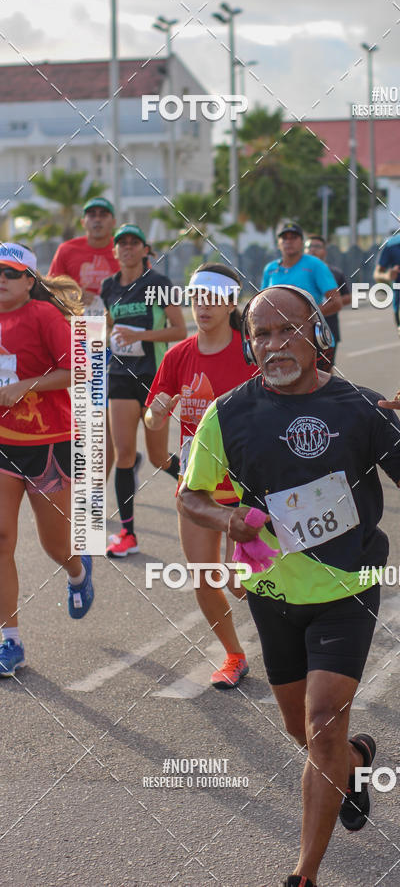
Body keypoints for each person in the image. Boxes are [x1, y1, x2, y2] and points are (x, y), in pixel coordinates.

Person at [177, 285, 400, 887]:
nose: (276, 345)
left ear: (317, 335)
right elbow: (190, 495)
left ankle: (304, 874)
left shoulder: (363, 409)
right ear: (250, 344)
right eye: (263, 335)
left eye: (289, 330)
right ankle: (354, 763)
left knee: (323, 717)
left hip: (347, 587)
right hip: (273, 593)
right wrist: (229, 520)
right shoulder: (228, 414)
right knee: (305, 732)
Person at [145, 263, 258, 689]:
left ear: (231, 303)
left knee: (241, 582)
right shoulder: (178, 356)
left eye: (213, 299)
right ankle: (234, 656)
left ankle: (289, 641)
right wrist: (157, 412)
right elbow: (154, 420)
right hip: (197, 484)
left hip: (247, 483)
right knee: (204, 576)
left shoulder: (250, 353)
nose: (203, 307)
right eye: (197, 298)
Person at [0, 243, 94, 676]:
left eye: (10, 272)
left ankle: (76, 571)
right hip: (3, 444)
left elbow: (79, 370)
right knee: (1, 540)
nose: (1, 278)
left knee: (55, 545)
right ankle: (11, 640)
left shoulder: (44, 317)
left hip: (49, 443)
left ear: (30, 281)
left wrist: (27, 385)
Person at [101, 224, 186, 556]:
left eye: (134, 243)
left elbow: (178, 330)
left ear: (145, 249)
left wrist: (140, 337)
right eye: (122, 243)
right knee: (123, 454)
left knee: (158, 457)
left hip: (154, 379)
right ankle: (128, 535)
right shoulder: (109, 286)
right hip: (119, 377)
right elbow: (108, 325)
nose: (127, 248)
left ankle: (212, 492)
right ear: (115, 251)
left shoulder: (159, 284)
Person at [48, 196, 122, 477]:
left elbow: (143, 294)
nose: (98, 218)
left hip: (114, 343)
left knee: (101, 422)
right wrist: (79, 295)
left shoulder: (125, 249)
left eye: (104, 214)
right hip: (77, 340)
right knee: (84, 420)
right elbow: (51, 294)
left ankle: (96, 492)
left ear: (112, 222)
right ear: (83, 221)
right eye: (92, 214)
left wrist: (112, 307)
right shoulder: (68, 250)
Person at [261, 222, 341, 370]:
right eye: (284, 238)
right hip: (279, 342)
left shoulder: (315, 265)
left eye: (294, 237)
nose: (289, 241)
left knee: (319, 387)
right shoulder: (270, 269)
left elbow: (336, 302)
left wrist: (306, 318)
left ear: (301, 242)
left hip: (312, 340)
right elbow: (262, 304)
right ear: (278, 243)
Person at [304, 233, 351, 371]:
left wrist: (329, 303)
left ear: (324, 251)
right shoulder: (299, 272)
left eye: (317, 246)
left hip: (328, 325)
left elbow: (347, 297)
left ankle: (328, 390)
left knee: (325, 368)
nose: (312, 249)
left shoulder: (334, 273)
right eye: (309, 246)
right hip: (304, 326)